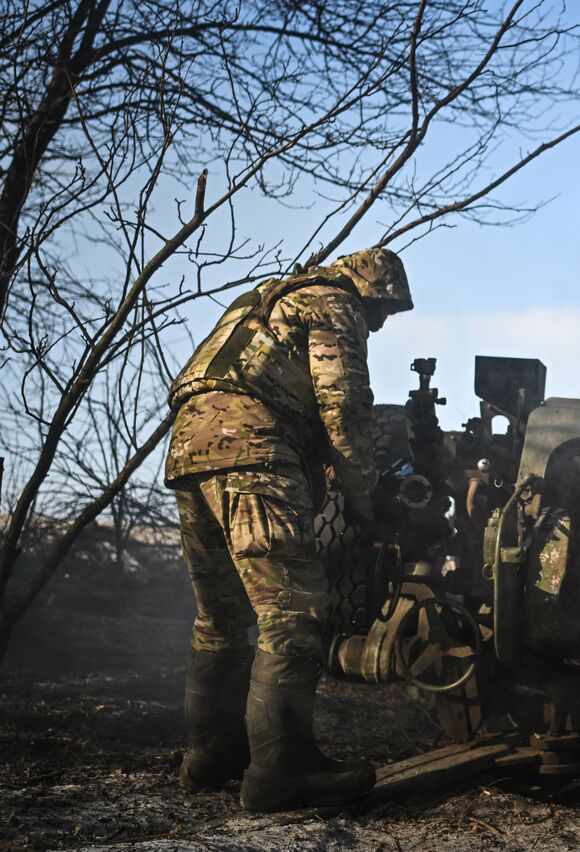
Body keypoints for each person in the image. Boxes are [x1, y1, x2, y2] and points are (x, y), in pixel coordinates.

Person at [165, 248, 412, 812]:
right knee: (293, 616)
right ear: (369, 290)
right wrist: (361, 495)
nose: (379, 323)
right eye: (383, 312)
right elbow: (342, 406)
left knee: (221, 617)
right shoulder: (334, 303)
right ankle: (280, 772)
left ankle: (211, 757)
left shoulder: (262, 300)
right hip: (253, 451)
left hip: (189, 450)